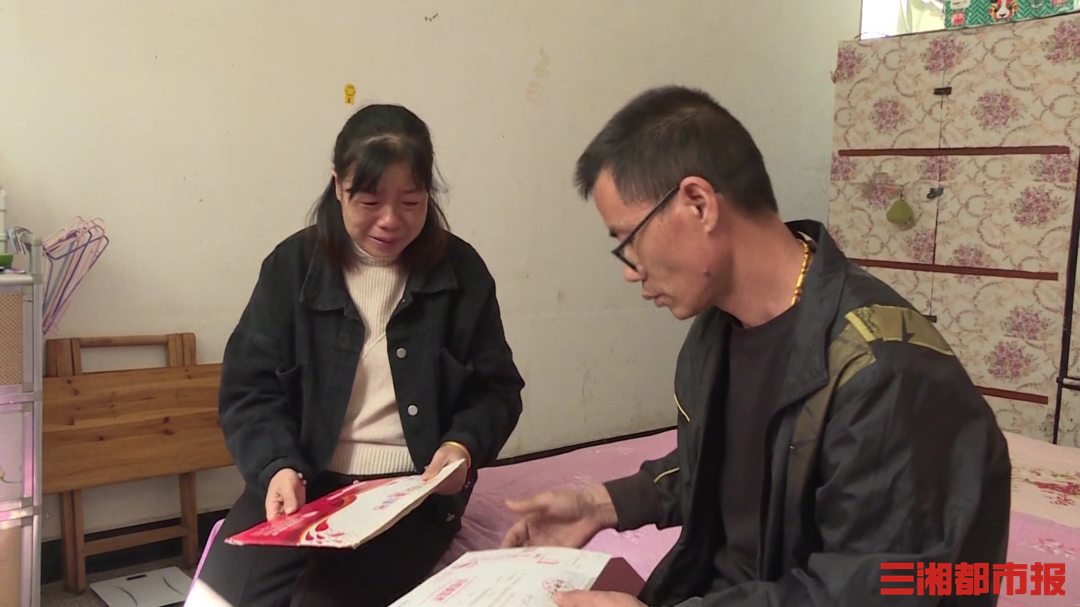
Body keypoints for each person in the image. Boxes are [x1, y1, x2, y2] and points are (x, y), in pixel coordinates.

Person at [501, 86, 1011, 607]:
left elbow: (877, 591)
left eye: (628, 240)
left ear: (699, 204)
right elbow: (730, 467)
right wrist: (599, 504)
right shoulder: (717, 329)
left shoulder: (884, 374)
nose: (631, 270)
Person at [195, 103, 525, 607]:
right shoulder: (291, 267)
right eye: (369, 201)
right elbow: (249, 390)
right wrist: (277, 466)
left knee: (321, 602)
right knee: (219, 600)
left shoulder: (462, 273)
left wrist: (462, 446)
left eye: (411, 202)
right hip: (302, 478)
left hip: (408, 493)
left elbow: (496, 388)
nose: (390, 221)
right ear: (337, 186)